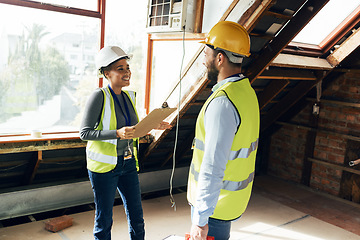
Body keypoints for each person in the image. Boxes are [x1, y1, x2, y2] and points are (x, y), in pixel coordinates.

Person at [80, 46, 170, 240]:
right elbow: (84, 133)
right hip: (104, 168)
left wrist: (154, 124)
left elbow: (133, 131)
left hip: (128, 163)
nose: (127, 72)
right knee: (104, 220)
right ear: (106, 73)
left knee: (137, 216)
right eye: (120, 68)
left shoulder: (129, 97)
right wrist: (117, 134)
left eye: (127, 68)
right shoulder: (99, 96)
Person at [187, 21, 260, 240]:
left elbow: (213, 166)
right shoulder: (246, 92)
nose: (203, 60)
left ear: (220, 59)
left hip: (213, 209)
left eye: (206, 53)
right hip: (229, 202)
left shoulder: (222, 102)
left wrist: (200, 220)